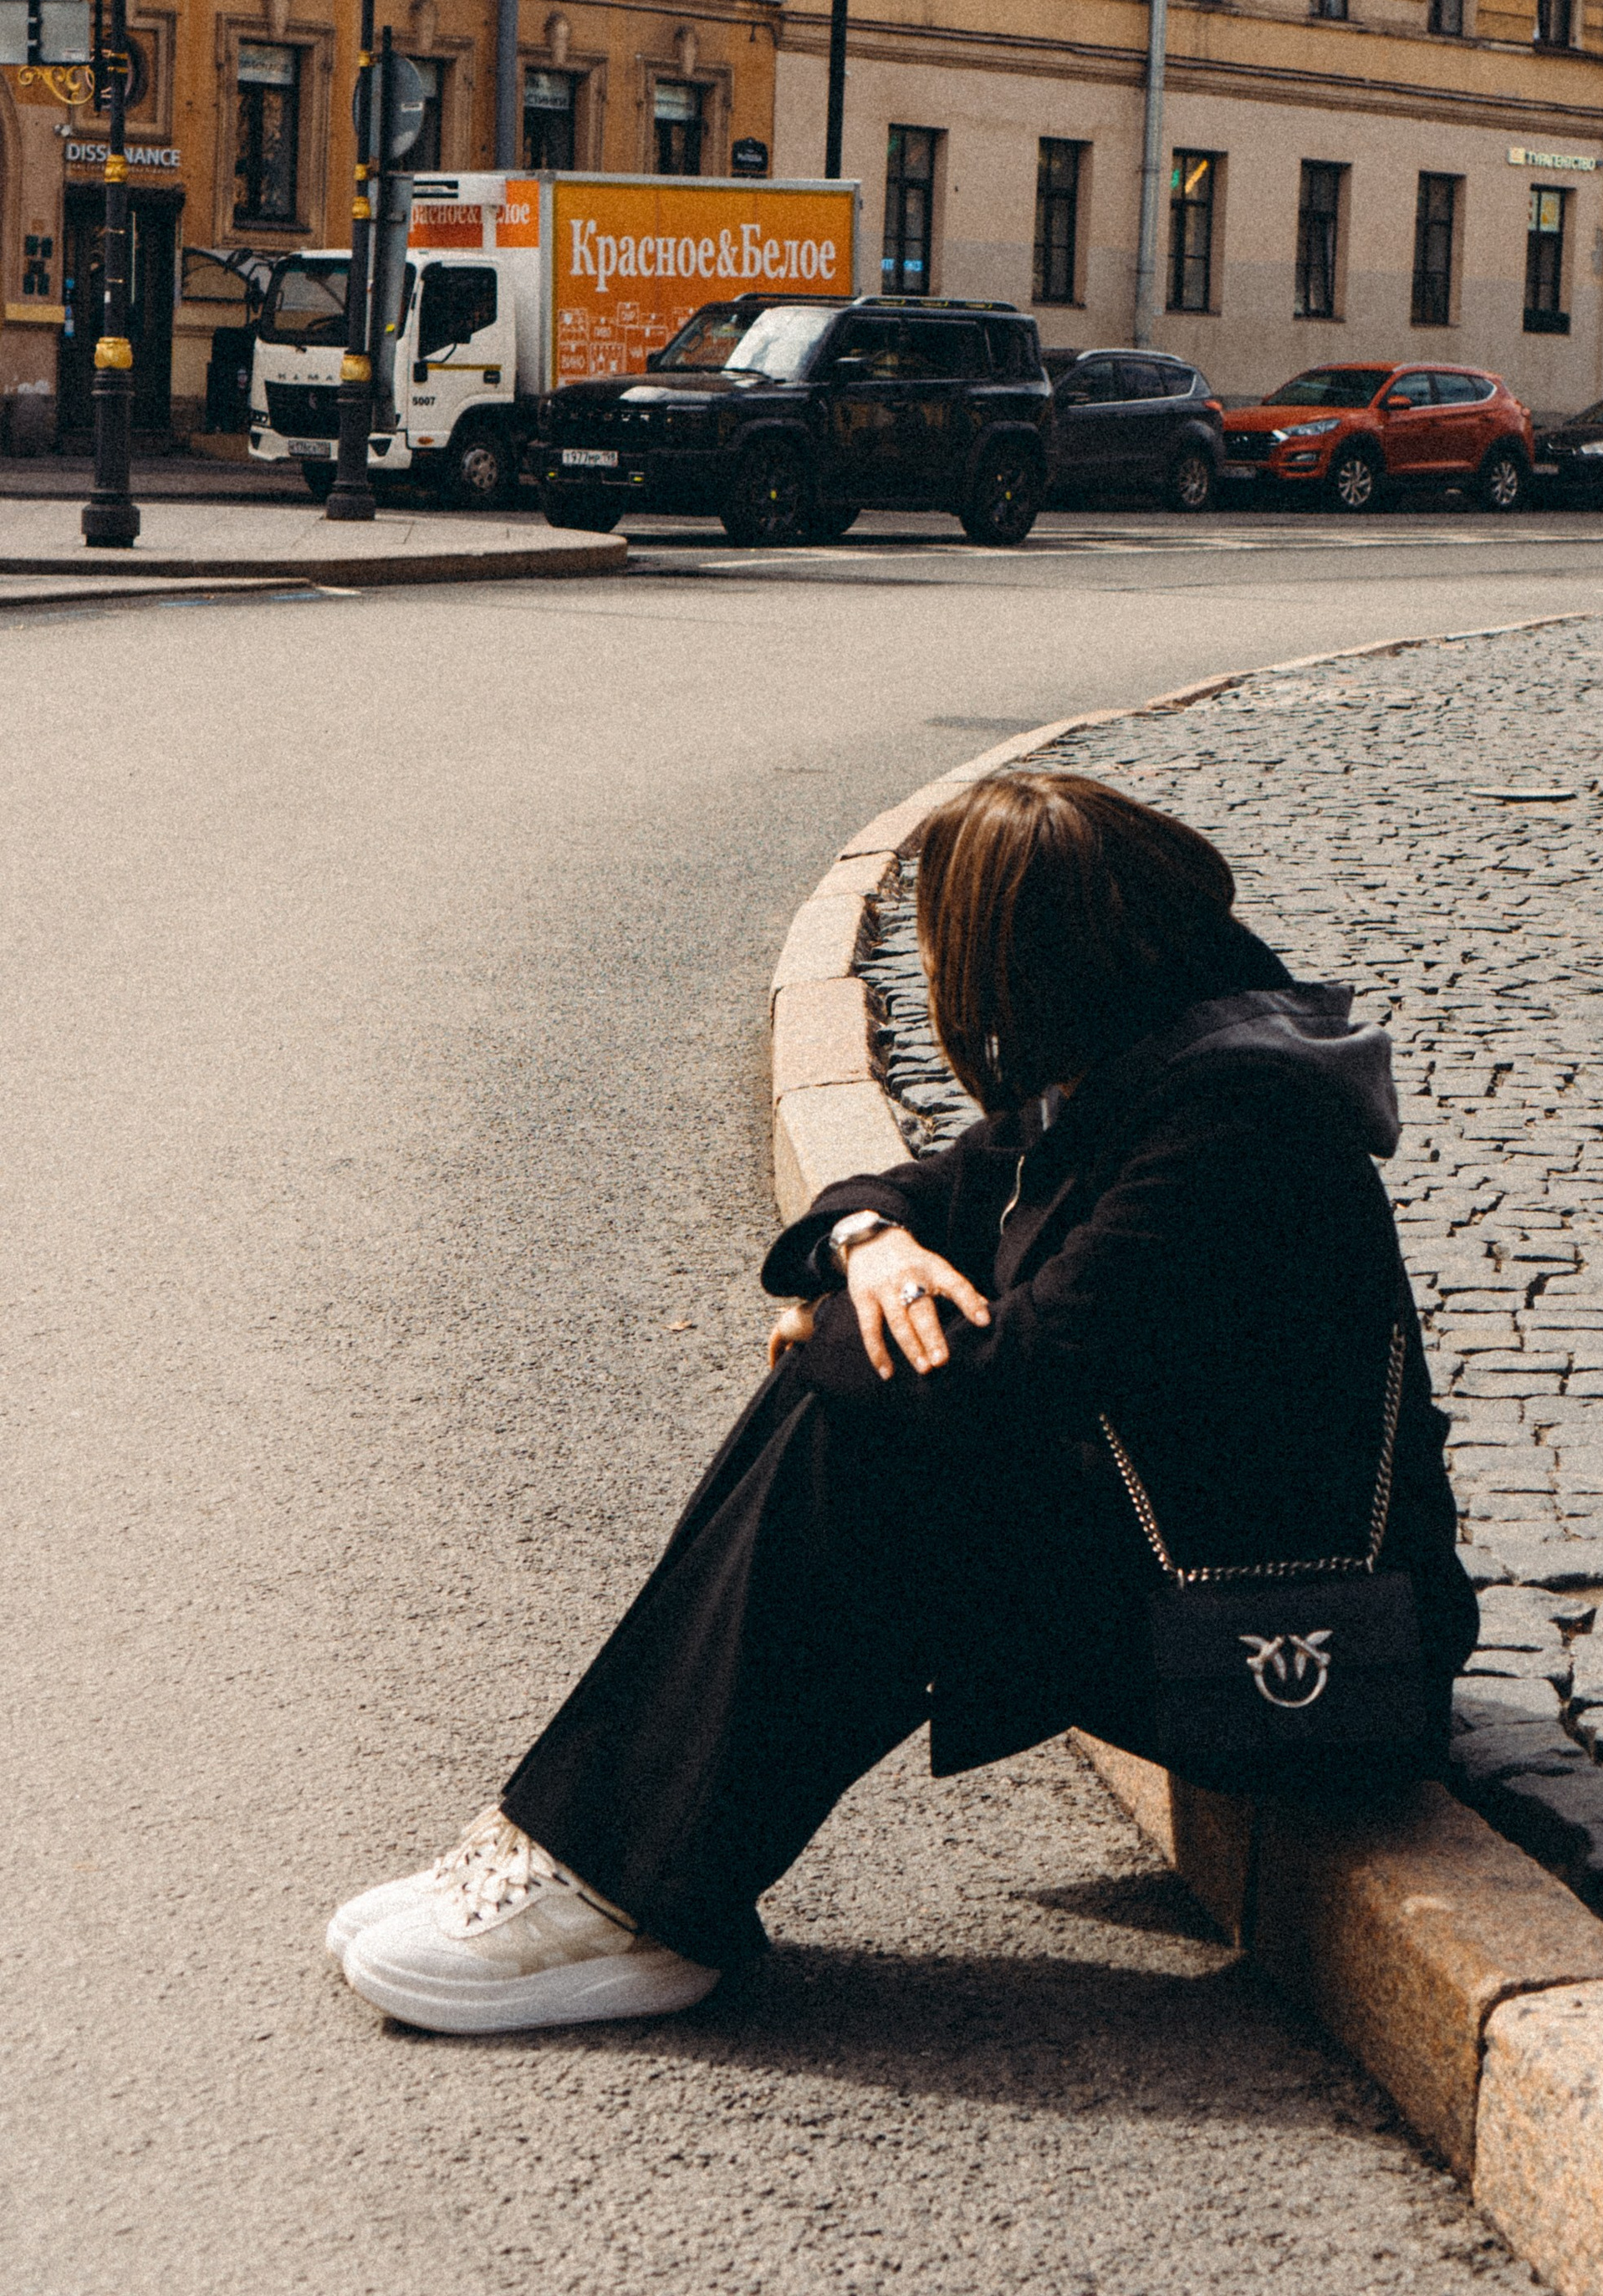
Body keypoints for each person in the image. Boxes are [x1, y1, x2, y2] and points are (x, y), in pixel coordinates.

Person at [329, 773, 1478, 2035]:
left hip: (1297, 1655)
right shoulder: (1154, 1065)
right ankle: (591, 1848)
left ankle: (638, 1900)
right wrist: (868, 1245)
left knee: (857, 1442)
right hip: (1192, 1585)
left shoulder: (1236, 1130)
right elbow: (925, 1188)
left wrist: (832, 1323)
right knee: (851, 1392)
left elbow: (1012, 1383)